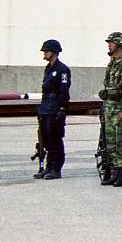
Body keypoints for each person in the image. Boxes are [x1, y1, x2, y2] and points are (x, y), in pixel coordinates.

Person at [99, 32, 122, 188]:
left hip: (119, 109)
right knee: (111, 143)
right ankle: (114, 172)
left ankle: (121, 174)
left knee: (120, 142)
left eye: (112, 42)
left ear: (120, 44)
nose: (109, 45)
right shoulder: (112, 63)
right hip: (109, 109)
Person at [34, 39, 71, 180]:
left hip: (55, 107)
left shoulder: (63, 69)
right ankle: (48, 167)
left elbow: (64, 90)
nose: (44, 53)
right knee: (46, 138)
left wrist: (62, 108)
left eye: (47, 51)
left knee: (55, 138)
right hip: (46, 107)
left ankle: (56, 168)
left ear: (54, 52)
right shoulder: (49, 68)